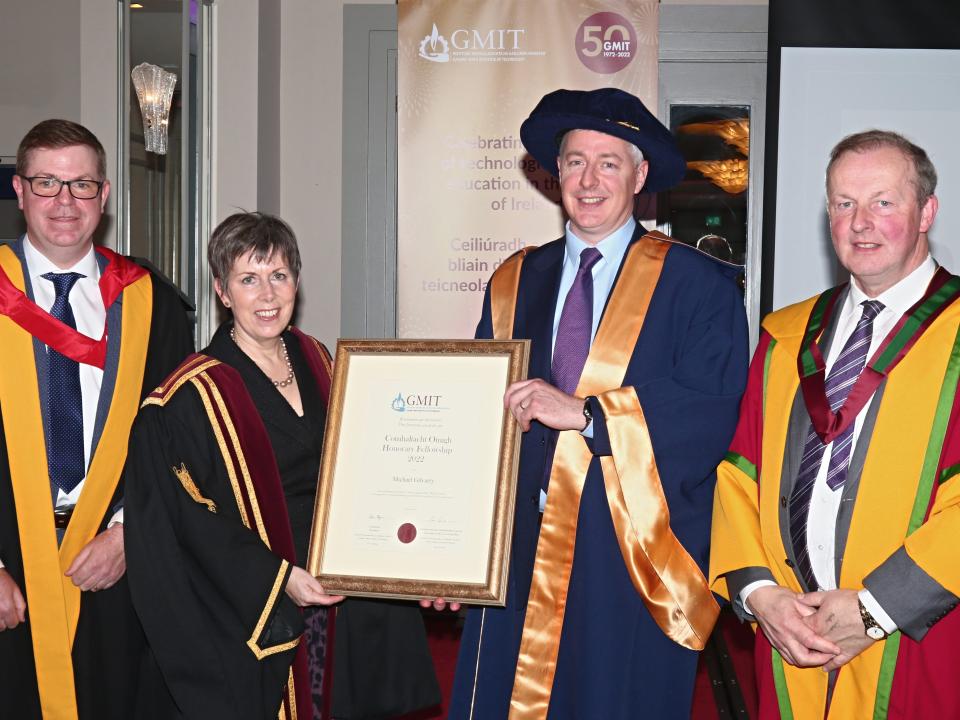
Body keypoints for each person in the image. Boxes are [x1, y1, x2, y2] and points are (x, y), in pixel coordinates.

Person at [448, 88, 749, 719]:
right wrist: (450, 547)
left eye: (609, 163)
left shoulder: (698, 286)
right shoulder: (514, 279)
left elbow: (713, 411)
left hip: (627, 557)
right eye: (575, 161)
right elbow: (479, 420)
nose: (589, 180)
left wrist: (589, 415)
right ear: (555, 173)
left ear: (640, 176)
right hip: (517, 551)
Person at [124, 212, 440, 720]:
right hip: (259, 610)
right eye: (248, 279)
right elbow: (187, 524)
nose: (267, 295)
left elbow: (374, 468)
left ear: (296, 280)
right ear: (222, 292)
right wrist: (278, 577)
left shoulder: (325, 361)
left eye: (279, 276)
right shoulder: (188, 398)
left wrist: (422, 556)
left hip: (344, 599)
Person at [710, 130, 960, 719]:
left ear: (927, 211)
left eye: (883, 202)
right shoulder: (786, 336)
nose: (861, 222)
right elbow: (738, 474)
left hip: (919, 637)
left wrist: (877, 608)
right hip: (790, 634)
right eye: (843, 204)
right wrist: (760, 596)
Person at [0, 119, 193, 718]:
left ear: (104, 196)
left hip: (114, 558)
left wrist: (133, 534)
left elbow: (181, 440)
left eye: (81, 185)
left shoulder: (150, 299)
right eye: (48, 183)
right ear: (19, 189)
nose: (65, 203)